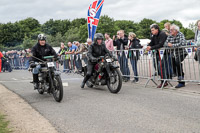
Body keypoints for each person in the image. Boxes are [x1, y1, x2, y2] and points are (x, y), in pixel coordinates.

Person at [165, 24, 187, 88]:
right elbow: (165, 43)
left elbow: (182, 43)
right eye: (170, 30)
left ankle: (181, 81)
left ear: (176, 30)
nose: (170, 31)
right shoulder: (170, 36)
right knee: (173, 64)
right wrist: (168, 44)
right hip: (173, 54)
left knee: (177, 62)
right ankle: (179, 75)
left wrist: (172, 45)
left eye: (171, 30)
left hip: (181, 53)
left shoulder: (180, 34)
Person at [147, 24, 169, 88]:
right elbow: (152, 42)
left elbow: (161, 44)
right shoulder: (154, 35)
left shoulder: (162, 34)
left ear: (157, 29)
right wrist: (148, 46)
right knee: (156, 66)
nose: (152, 32)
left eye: (153, 30)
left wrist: (151, 47)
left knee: (161, 67)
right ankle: (163, 80)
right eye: (151, 30)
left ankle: (164, 81)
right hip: (157, 53)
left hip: (163, 53)